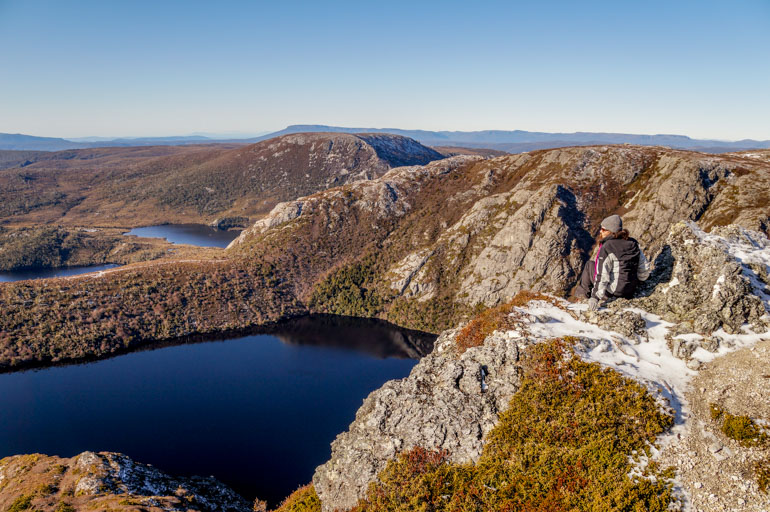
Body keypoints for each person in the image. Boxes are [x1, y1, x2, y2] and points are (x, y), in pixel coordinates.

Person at [574, 214, 650, 310]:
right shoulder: (633, 243)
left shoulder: (608, 246)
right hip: (630, 290)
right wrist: (640, 282)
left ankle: (581, 298)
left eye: (604, 229)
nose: (600, 231)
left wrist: (595, 297)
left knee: (590, 265)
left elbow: (602, 275)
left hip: (613, 293)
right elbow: (644, 267)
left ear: (611, 231)